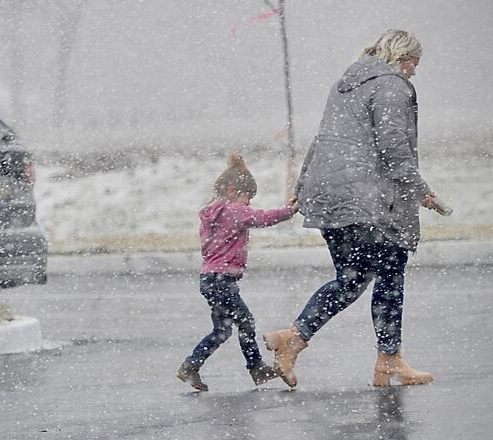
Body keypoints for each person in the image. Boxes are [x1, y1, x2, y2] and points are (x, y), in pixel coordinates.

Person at [263, 29, 444, 389]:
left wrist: (303, 186)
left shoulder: (346, 84)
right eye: (413, 62)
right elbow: (393, 146)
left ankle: (293, 341)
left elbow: (324, 138)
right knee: (391, 268)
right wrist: (420, 190)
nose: (414, 71)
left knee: (353, 278)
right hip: (365, 200)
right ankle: (388, 360)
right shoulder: (390, 85)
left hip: (333, 195)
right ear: (399, 56)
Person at [177, 153, 298, 391]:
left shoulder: (212, 213)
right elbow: (262, 218)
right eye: (247, 197)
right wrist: (289, 211)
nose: (248, 203)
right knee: (246, 324)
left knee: (222, 330)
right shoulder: (234, 210)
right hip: (222, 280)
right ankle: (256, 369)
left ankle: (191, 366)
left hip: (210, 278)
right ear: (232, 190)